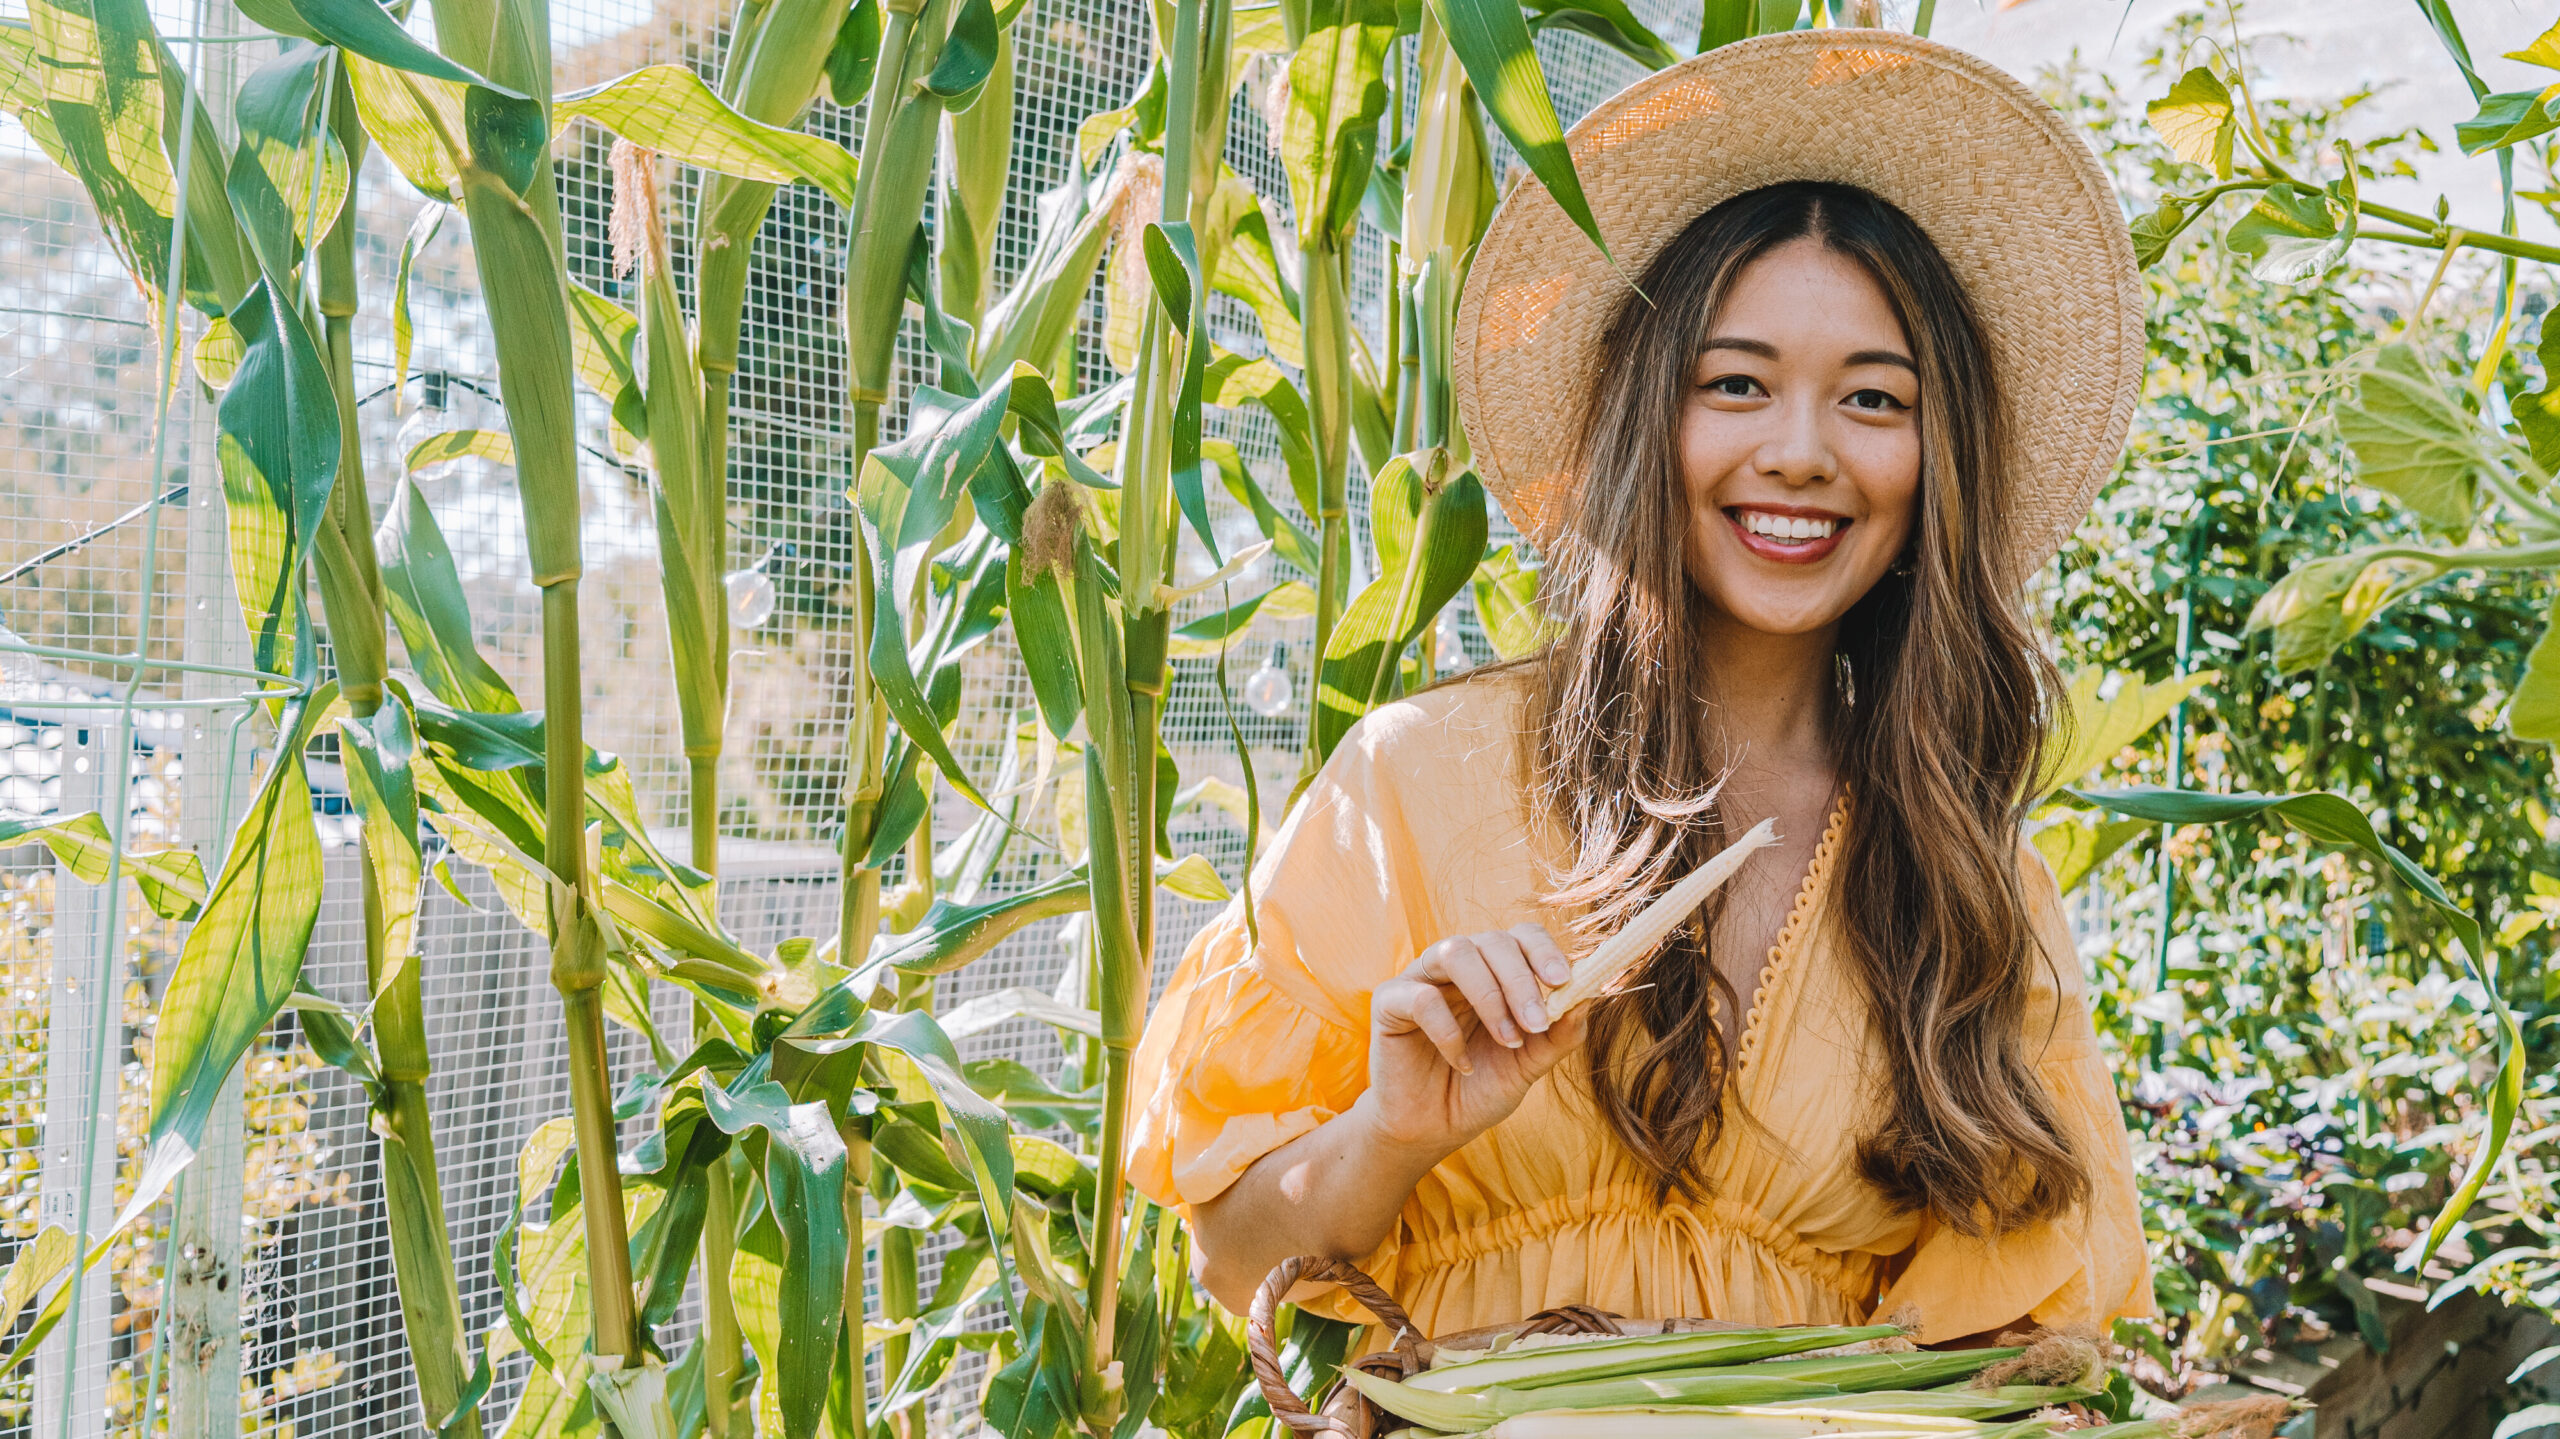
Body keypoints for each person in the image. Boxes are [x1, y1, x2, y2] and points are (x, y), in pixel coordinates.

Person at [1126, 29, 2155, 1349]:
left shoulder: (1971, 876)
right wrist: (1395, 1127)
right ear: (1645, 416)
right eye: (1737, 384)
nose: (1799, 453)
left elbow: (2030, 1344)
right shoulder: (1412, 786)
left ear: (1933, 459)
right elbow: (1232, 1253)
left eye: (1874, 402)